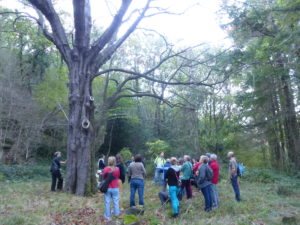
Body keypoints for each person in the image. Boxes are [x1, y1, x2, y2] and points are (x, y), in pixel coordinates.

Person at [102, 156, 120, 221]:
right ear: (114, 161)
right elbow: (118, 176)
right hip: (115, 187)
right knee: (116, 201)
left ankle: (108, 216)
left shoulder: (106, 168)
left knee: (107, 202)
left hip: (108, 188)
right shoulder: (117, 169)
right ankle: (117, 214)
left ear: (108, 161)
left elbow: (103, 177)